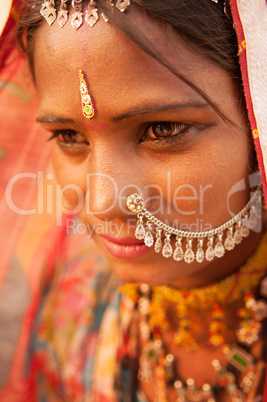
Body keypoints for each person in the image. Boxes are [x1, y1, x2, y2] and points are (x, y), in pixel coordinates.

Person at [0, 0, 267, 401]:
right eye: (69, 136)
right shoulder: (72, 297)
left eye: (161, 129)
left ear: (257, 115)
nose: (105, 203)